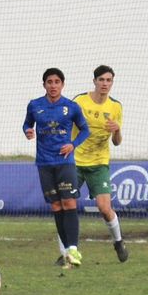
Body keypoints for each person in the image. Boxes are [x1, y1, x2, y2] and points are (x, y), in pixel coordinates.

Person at [56, 64, 129, 264]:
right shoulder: (79, 101)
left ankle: (118, 242)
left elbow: (117, 142)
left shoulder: (115, 107)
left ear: (112, 83)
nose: (105, 84)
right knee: (65, 206)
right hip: (74, 163)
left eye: (109, 80)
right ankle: (66, 254)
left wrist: (117, 130)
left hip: (98, 163)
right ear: (94, 81)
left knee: (104, 208)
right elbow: (64, 124)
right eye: (101, 80)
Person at [25, 67, 90, 268]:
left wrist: (73, 144)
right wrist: (28, 130)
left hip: (65, 162)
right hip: (44, 163)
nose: (53, 86)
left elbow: (85, 130)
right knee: (56, 206)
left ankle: (73, 249)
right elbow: (27, 124)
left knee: (69, 203)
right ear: (44, 84)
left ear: (62, 84)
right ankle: (66, 251)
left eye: (57, 82)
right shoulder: (35, 105)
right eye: (49, 82)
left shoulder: (71, 107)